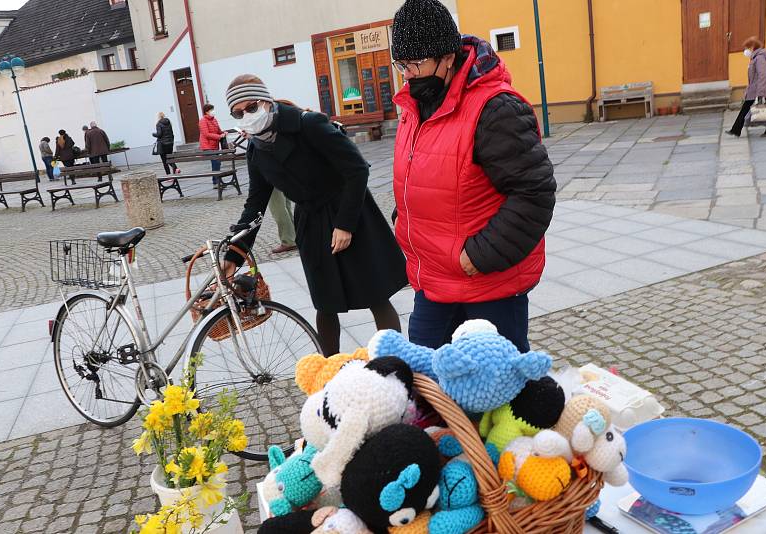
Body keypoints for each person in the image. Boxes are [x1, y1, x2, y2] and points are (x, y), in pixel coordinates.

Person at [389, 0, 556, 351]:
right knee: (425, 385)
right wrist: (406, 218)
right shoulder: (413, 107)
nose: (407, 74)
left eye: (415, 64)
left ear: (448, 57)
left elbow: (534, 193)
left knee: (497, 393)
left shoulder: (496, 109)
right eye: (401, 65)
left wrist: (479, 256)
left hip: (486, 286)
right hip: (433, 281)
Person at [223, 74, 407, 356]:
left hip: (349, 210)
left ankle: (398, 362)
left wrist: (345, 225)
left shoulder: (309, 124)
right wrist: (234, 254)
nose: (246, 115)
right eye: (238, 112)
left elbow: (357, 169)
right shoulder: (256, 149)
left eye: (251, 107)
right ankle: (327, 373)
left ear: (266, 102)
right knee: (325, 303)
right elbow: (255, 204)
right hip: (311, 222)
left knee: (375, 295)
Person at [726, 37, 766, 137]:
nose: (746, 50)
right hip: (756, 88)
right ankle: (736, 130)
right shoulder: (756, 57)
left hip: (759, 89)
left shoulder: (759, 58)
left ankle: (736, 130)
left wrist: (760, 93)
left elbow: (762, 75)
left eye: (747, 48)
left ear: (752, 47)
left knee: (747, 108)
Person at [198, 103, 226, 189]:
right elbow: (206, 134)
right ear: (206, 112)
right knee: (216, 162)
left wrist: (223, 133)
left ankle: (217, 181)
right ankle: (216, 182)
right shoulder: (203, 121)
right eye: (211, 110)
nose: (213, 111)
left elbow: (218, 131)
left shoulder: (214, 120)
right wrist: (219, 136)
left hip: (214, 145)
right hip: (207, 146)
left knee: (217, 163)